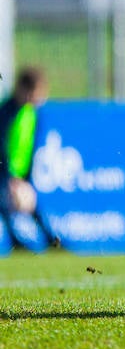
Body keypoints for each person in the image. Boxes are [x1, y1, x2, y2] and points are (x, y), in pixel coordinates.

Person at [1, 66, 61, 253]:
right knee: (5, 205)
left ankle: (51, 241)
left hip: (21, 172)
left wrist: (24, 176)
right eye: (36, 92)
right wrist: (9, 175)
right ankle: (17, 241)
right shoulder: (7, 112)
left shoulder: (32, 113)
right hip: (5, 170)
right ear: (23, 89)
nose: (38, 98)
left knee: (30, 206)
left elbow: (28, 146)